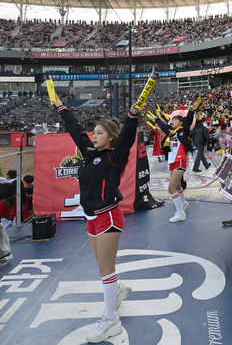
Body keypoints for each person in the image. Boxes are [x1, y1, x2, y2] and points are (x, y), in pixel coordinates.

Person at [54, 97, 139, 343]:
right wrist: (62, 108)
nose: (94, 136)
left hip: (108, 216)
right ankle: (118, 290)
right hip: (90, 217)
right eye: (94, 133)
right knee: (103, 267)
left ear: (111, 137)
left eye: (100, 133)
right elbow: (74, 129)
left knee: (105, 269)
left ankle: (111, 319)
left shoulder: (115, 156)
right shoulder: (90, 153)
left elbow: (128, 138)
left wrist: (132, 116)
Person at [156, 109, 194, 223]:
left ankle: (180, 213)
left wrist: (191, 111)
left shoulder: (183, 131)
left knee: (171, 189)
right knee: (177, 187)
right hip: (171, 162)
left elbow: (188, 120)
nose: (172, 121)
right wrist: (157, 119)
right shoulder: (171, 132)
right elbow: (163, 126)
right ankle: (183, 204)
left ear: (181, 122)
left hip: (180, 161)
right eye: (172, 119)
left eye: (175, 120)